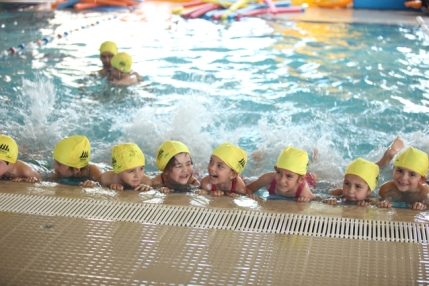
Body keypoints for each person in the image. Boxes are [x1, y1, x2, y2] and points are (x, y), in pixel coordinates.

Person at [323, 136, 404, 206]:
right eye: (347, 183)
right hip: (361, 174)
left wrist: (375, 203)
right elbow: (318, 198)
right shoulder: (337, 193)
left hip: (369, 176)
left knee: (379, 167)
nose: (350, 191)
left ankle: (388, 155)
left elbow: (380, 204)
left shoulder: (371, 199)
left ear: (368, 191)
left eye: (358, 186)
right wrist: (329, 200)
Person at [246, 146, 315, 202]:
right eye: (279, 172)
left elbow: (317, 201)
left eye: (289, 176)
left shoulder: (303, 191)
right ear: (275, 169)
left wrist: (306, 202)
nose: (282, 180)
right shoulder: (268, 179)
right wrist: (251, 196)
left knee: (314, 174)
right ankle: (258, 159)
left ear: (301, 179)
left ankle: (315, 158)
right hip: (298, 175)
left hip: (308, 179)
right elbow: (248, 189)